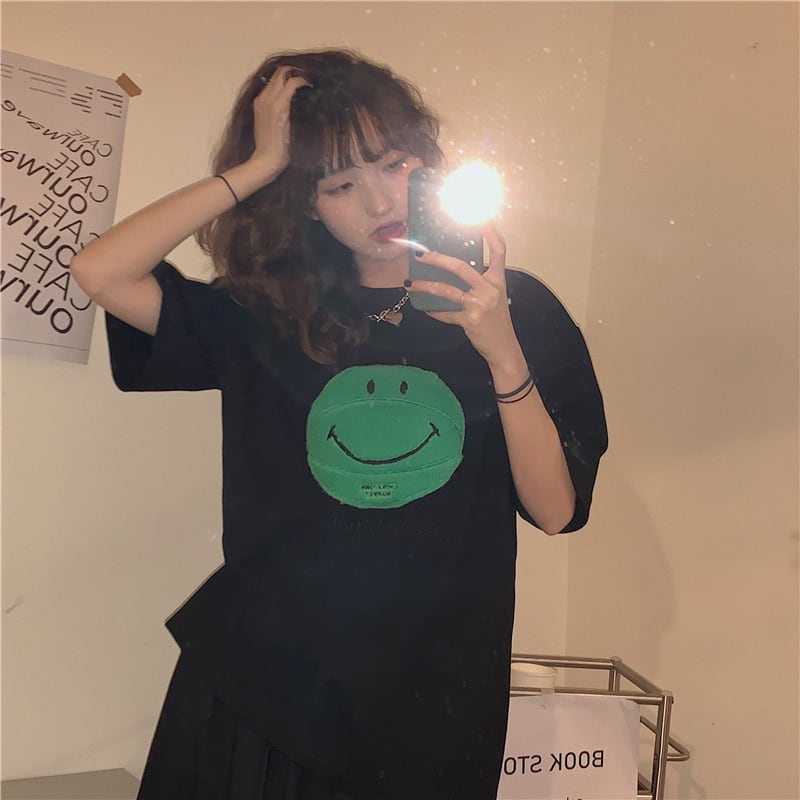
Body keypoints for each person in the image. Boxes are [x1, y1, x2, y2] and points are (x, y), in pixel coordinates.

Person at [71, 48, 607, 800]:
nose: (381, 203)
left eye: (394, 165)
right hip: (266, 689)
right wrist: (257, 167)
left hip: (435, 698)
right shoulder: (272, 311)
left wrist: (502, 350)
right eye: (339, 184)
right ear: (306, 202)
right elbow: (100, 273)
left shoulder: (517, 309)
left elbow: (555, 510)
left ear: (426, 162)